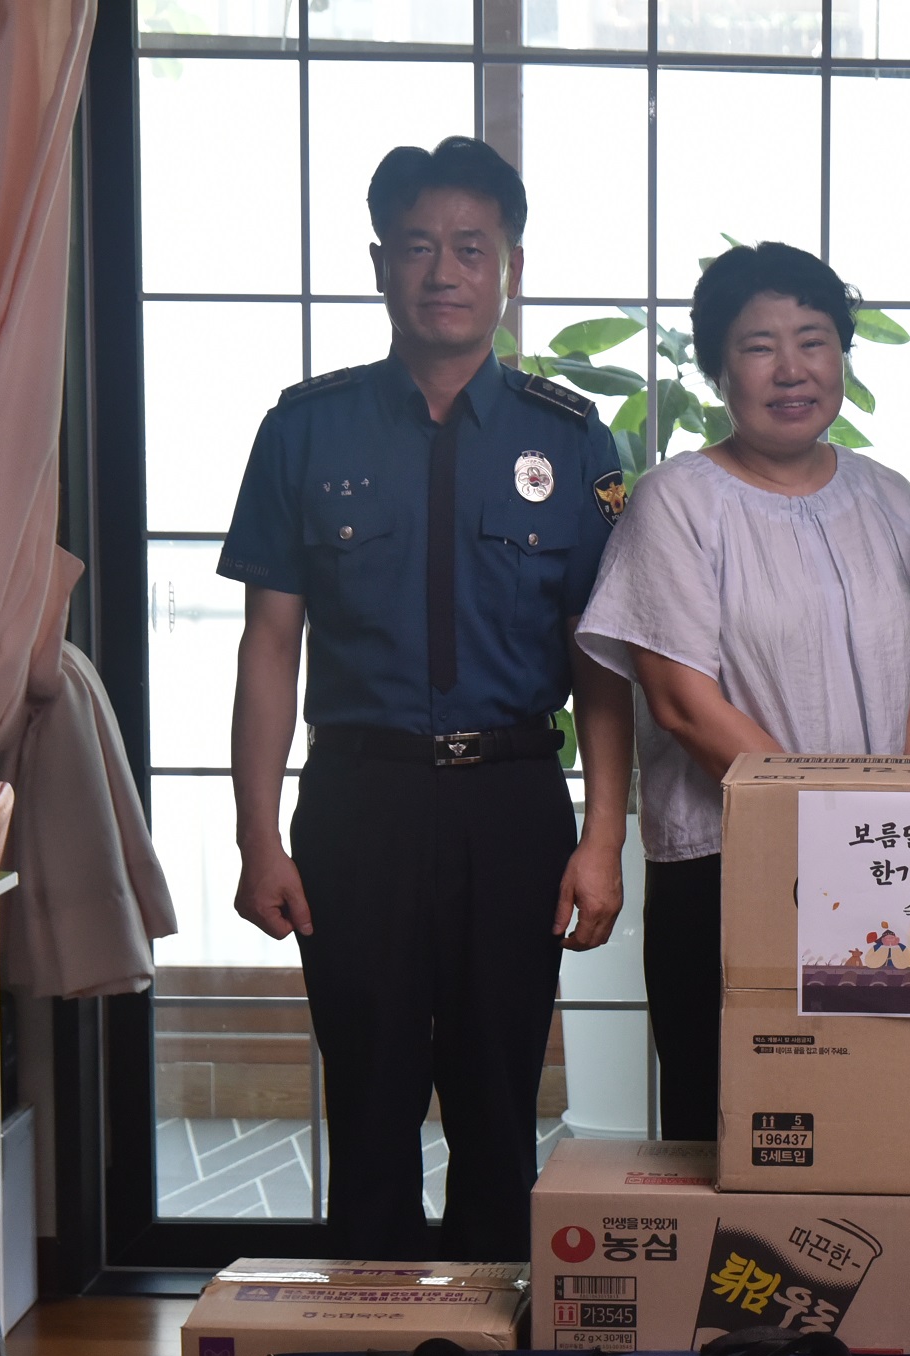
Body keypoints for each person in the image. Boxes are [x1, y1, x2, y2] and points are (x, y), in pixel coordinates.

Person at [221, 137, 633, 1260]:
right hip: (360, 802)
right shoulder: (305, 429)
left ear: (510, 268)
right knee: (369, 1096)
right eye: (416, 247)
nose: (443, 272)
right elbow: (269, 646)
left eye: (470, 248)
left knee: (500, 1099)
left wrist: (602, 837)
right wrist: (257, 836)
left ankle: (492, 1354)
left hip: (513, 800)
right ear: (378, 265)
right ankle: (371, 1348)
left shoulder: (569, 436)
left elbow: (601, 663)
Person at [577, 242, 910, 1141]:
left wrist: (898, 830)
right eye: (758, 346)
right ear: (718, 369)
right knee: (732, 1133)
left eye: (813, 341)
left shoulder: (892, 499)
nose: (791, 369)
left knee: (875, 1126)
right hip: (726, 869)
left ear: (841, 356)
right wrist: (828, 826)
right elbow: (681, 703)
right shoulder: (675, 502)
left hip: (885, 871)